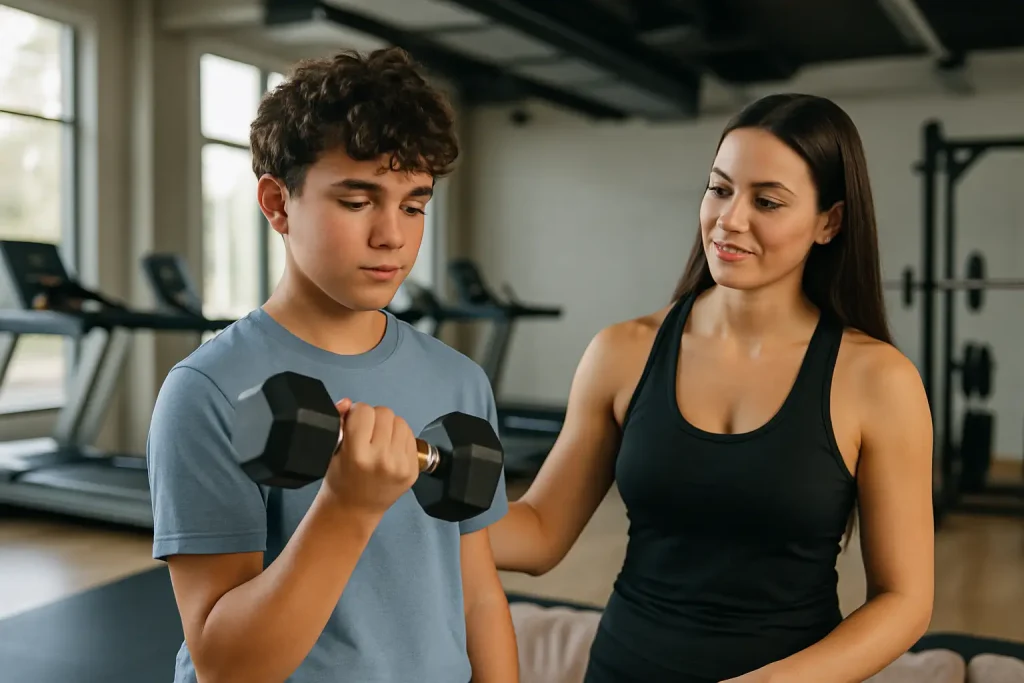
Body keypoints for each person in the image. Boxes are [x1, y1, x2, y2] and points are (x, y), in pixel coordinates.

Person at [489, 93, 935, 683]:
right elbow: (540, 535)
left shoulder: (879, 380)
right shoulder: (622, 352)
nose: (730, 219)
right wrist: (396, 492)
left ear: (829, 221)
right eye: (719, 188)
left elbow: (904, 601)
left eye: (768, 201)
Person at [146, 48, 518, 683]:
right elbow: (227, 666)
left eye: (413, 204)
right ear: (277, 203)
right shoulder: (207, 392)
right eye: (357, 201)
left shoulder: (459, 379)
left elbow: (478, 595)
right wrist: (347, 507)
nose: (393, 237)